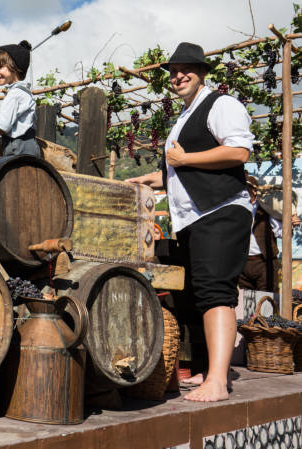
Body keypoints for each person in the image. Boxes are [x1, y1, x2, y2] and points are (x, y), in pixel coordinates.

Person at [126, 42, 254, 402]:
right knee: (196, 296)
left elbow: (238, 151)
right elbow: (179, 170)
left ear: (202, 73)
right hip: (192, 218)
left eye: (188, 69)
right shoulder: (184, 116)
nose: (179, 75)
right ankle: (204, 369)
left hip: (221, 210)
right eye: (173, 70)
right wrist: (146, 180)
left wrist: (183, 160)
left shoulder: (221, 104)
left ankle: (217, 381)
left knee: (215, 292)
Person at [238, 174, 301, 292]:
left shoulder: (266, 209)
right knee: (246, 300)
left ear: (254, 191)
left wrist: (290, 224)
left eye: (246, 189)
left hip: (264, 262)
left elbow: (281, 232)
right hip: (243, 263)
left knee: (267, 298)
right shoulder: (237, 211)